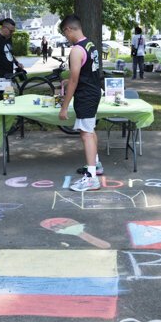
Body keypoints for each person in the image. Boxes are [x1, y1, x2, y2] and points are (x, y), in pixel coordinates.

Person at [58, 14, 102, 192]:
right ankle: (96, 166)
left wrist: (64, 106)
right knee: (90, 131)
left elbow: (75, 79)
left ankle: (91, 178)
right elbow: (87, 72)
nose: (65, 37)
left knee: (86, 134)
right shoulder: (90, 45)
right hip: (93, 91)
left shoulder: (76, 50)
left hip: (85, 96)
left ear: (69, 29)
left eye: (64, 33)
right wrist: (69, 82)